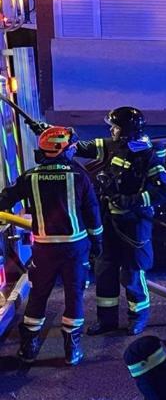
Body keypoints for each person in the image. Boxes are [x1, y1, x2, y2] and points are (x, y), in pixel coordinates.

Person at [0, 127, 102, 365]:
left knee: (38, 294)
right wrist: (97, 242)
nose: (75, 150)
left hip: (44, 249)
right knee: (74, 295)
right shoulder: (79, 176)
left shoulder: (30, 176)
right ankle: (72, 349)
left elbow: (5, 199)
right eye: (72, 147)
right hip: (75, 248)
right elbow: (92, 213)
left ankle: (29, 347)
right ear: (62, 150)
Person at [75, 107, 166, 336]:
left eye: (115, 127)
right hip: (110, 222)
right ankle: (106, 321)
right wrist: (53, 134)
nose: (111, 130)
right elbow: (82, 147)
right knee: (104, 271)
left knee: (132, 273)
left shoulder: (147, 155)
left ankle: (138, 317)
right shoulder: (112, 146)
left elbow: (165, 190)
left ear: (127, 130)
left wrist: (130, 201)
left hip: (134, 225)